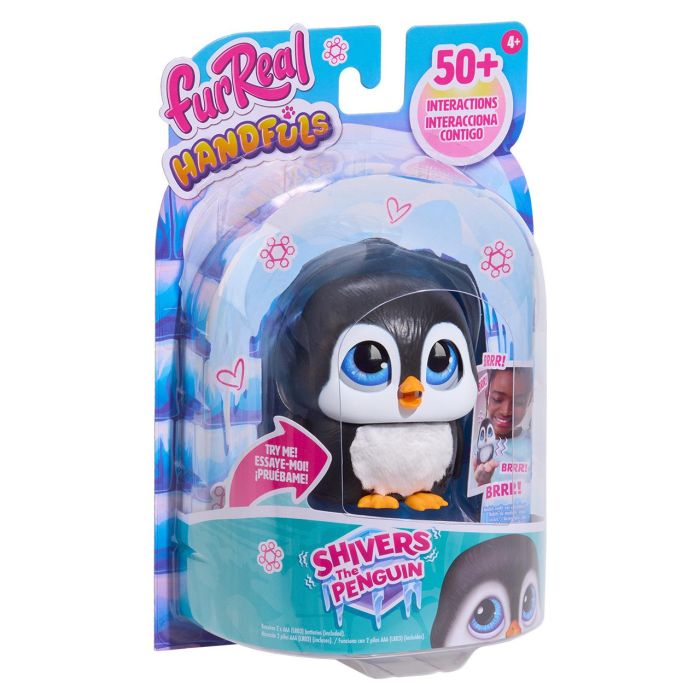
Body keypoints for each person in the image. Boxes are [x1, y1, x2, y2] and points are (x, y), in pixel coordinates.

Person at [473, 367, 533, 487]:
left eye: (518, 402)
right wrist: (482, 484)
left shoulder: (532, 448)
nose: (506, 411)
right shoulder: (476, 446)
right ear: (487, 395)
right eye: (498, 399)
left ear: (529, 401)